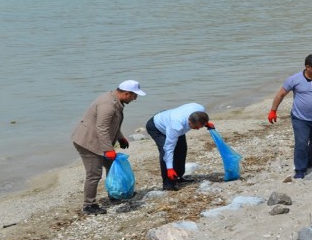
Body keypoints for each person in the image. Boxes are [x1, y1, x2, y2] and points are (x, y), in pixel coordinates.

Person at [72, 79, 146, 215]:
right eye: (135, 96)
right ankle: (89, 205)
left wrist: (120, 137)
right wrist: (108, 149)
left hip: (98, 140)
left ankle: (115, 194)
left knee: (112, 166)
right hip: (88, 142)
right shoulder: (108, 105)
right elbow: (102, 128)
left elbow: (113, 125)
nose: (135, 99)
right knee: (94, 174)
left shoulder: (115, 100)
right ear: (127, 94)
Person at [146, 103, 214, 191]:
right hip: (157, 127)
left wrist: (205, 123)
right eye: (196, 127)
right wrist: (170, 168)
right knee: (165, 153)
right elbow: (168, 149)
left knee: (181, 150)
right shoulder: (176, 126)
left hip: (170, 117)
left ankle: (177, 177)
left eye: (200, 126)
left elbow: (199, 116)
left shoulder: (200, 109)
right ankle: (168, 184)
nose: (198, 129)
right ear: (189, 121)